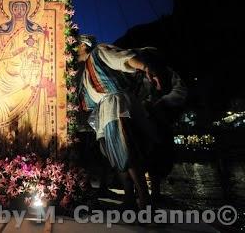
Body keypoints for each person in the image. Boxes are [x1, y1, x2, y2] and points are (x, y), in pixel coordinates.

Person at [76, 34, 163, 209]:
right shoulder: (85, 70)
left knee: (126, 150)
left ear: (83, 46)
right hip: (104, 110)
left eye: (75, 46)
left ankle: (144, 199)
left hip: (116, 104)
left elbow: (122, 59)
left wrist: (145, 67)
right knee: (115, 155)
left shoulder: (99, 52)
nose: (72, 51)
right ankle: (129, 197)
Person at [0, 0, 53, 147]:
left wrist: (41, 72)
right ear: (10, 9)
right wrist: (11, 52)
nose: (19, 11)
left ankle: (26, 143)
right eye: (15, 7)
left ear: (28, 10)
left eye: (22, 7)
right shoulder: (3, 31)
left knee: (29, 96)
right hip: (5, 74)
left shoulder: (36, 31)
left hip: (25, 76)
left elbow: (46, 56)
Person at [131, 52, 187, 201]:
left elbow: (180, 91)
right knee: (141, 155)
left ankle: (155, 193)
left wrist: (161, 102)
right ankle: (141, 191)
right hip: (140, 120)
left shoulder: (167, 72)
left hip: (159, 119)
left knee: (159, 155)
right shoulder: (136, 75)